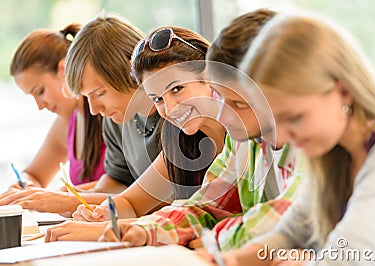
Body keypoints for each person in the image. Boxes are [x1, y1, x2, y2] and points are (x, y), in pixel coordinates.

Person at [95, 10, 302, 249]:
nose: (224, 113)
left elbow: (285, 219)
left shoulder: (308, 144)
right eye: (157, 99)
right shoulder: (244, 141)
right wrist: (142, 230)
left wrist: (211, 239)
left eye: (237, 103)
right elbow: (205, 206)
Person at [209, 13, 375, 265]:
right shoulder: (334, 154)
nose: (284, 135)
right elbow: (289, 235)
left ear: (343, 91)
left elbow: (351, 257)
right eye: (275, 118)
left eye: (294, 117)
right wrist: (228, 261)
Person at [45, 26, 227, 242]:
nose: (169, 109)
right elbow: (130, 202)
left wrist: (113, 228)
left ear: (208, 75)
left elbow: (205, 216)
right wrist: (103, 214)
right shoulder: (181, 142)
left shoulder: (243, 137)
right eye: (158, 99)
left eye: (177, 89)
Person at [1, 15, 162, 217]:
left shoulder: (170, 117)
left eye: (99, 93)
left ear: (130, 70)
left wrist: (68, 200)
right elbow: (117, 182)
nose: (94, 109)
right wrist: (72, 198)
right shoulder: (115, 121)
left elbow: (154, 199)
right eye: (87, 97)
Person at [0, 24, 106, 214]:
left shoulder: (109, 112)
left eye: (40, 92)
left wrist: (63, 198)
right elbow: (34, 174)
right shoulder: (66, 124)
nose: (40, 105)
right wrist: (27, 186)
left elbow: (131, 187)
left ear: (63, 70)